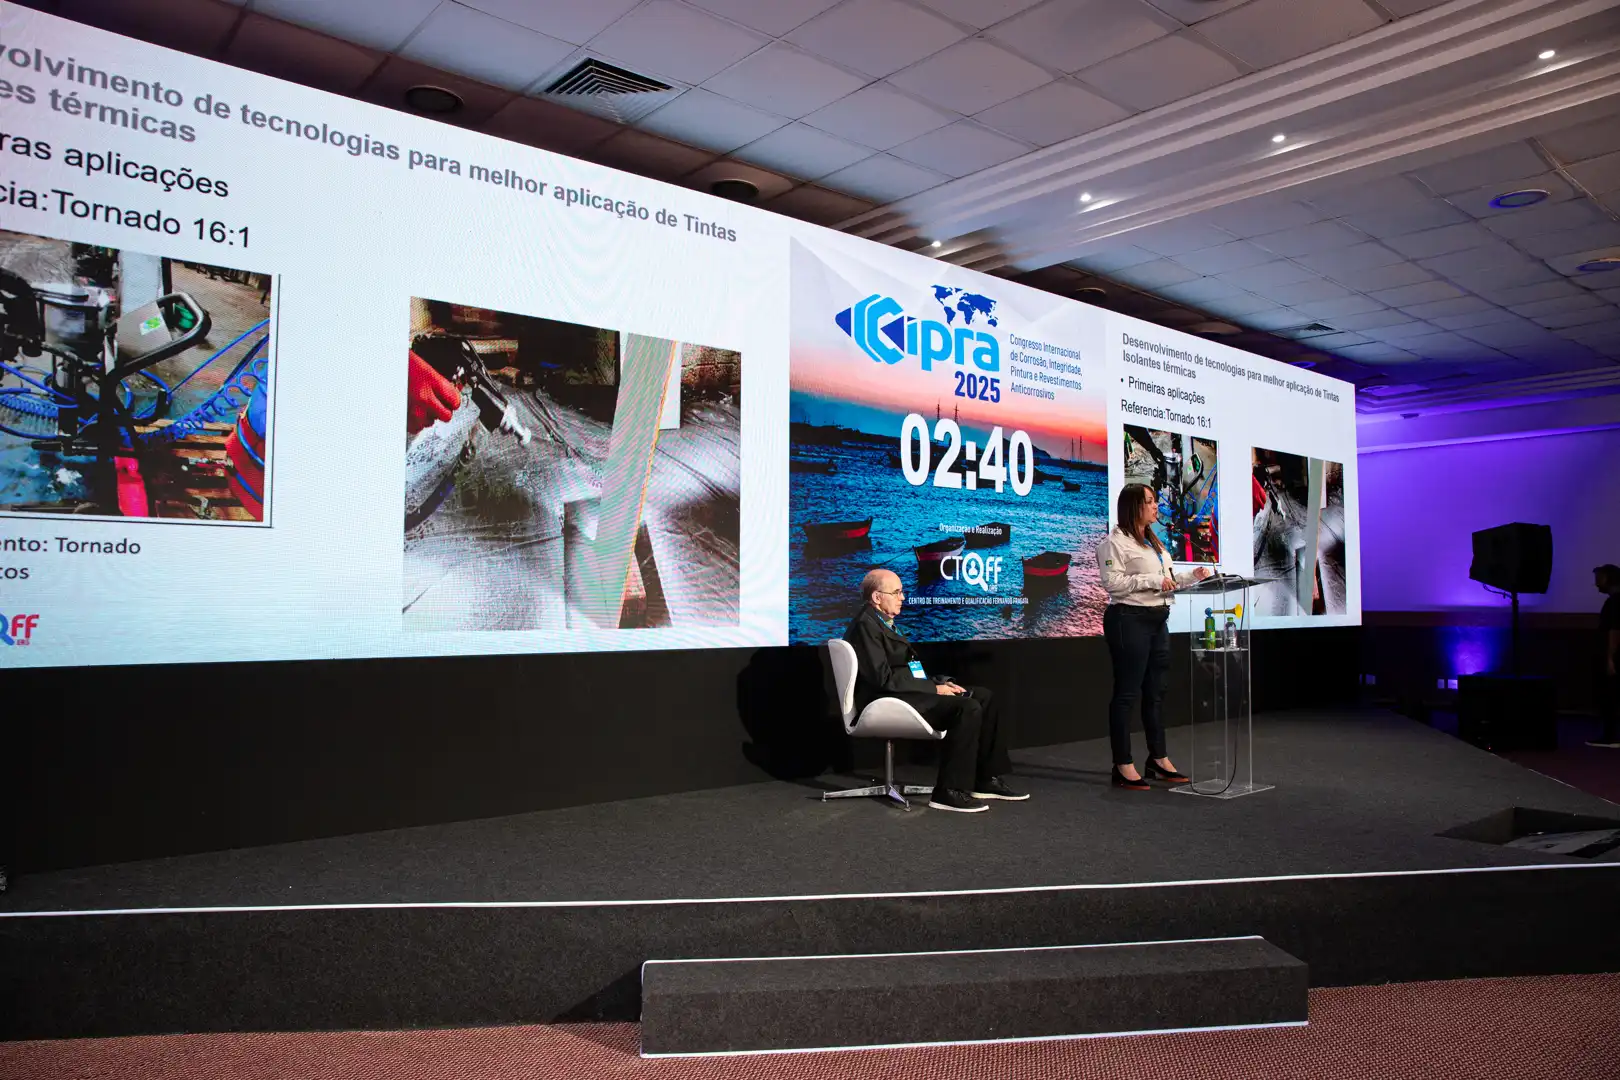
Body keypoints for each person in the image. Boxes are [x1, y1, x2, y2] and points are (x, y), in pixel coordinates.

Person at [844, 568, 1026, 813]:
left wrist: (940, 683)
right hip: (886, 700)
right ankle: (948, 791)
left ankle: (984, 780)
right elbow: (883, 679)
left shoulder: (883, 622)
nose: (903, 597)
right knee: (967, 708)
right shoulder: (865, 626)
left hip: (906, 692)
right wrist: (934, 689)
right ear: (877, 597)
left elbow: (908, 670)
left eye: (902, 591)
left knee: (983, 696)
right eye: (896, 592)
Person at [1095, 482, 1212, 789]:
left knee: (1156, 692)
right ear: (1133, 507)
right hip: (1129, 620)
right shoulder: (1113, 543)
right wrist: (1153, 580)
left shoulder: (1153, 542)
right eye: (1149, 501)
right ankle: (1122, 765)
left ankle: (1158, 759)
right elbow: (1112, 583)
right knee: (1127, 694)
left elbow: (1167, 579)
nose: (1155, 506)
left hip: (1158, 621)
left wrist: (1192, 576)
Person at [1590, 564, 1620, 749]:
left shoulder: (1614, 602)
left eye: (1599, 579)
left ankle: (1611, 736)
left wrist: (1610, 658)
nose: (1596, 584)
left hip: (1615, 657)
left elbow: (1615, 630)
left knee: (1610, 695)